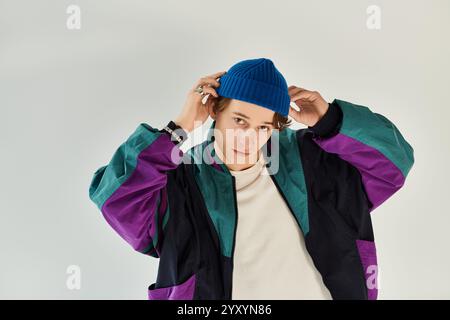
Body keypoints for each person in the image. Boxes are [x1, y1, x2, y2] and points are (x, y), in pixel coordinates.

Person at [88, 57, 414, 300]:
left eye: (263, 127)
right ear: (215, 110)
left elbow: (394, 163)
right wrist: (179, 128)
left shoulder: (312, 161)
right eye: (239, 120)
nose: (249, 137)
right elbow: (115, 199)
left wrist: (330, 120)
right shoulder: (179, 181)